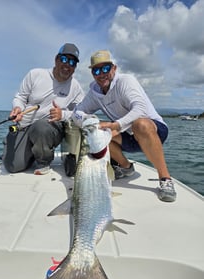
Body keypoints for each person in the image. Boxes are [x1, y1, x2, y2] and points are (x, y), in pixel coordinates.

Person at [72, 50, 176, 202]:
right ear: (92, 73)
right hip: (127, 135)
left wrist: (116, 126)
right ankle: (126, 168)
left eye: (105, 68)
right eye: (96, 70)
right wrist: (88, 119)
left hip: (153, 130)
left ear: (114, 68)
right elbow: (76, 112)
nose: (101, 74)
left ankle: (165, 178)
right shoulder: (94, 92)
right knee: (99, 130)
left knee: (140, 124)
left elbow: (140, 108)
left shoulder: (125, 81)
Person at [2, 43, 84, 175]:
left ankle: (43, 161)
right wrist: (17, 108)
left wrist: (63, 114)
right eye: (64, 59)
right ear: (56, 59)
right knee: (13, 166)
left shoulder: (76, 87)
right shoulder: (35, 74)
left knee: (41, 127)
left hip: (48, 129)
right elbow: (21, 97)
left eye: (73, 62)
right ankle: (26, 151)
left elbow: (81, 113)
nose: (68, 65)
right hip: (24, 127)